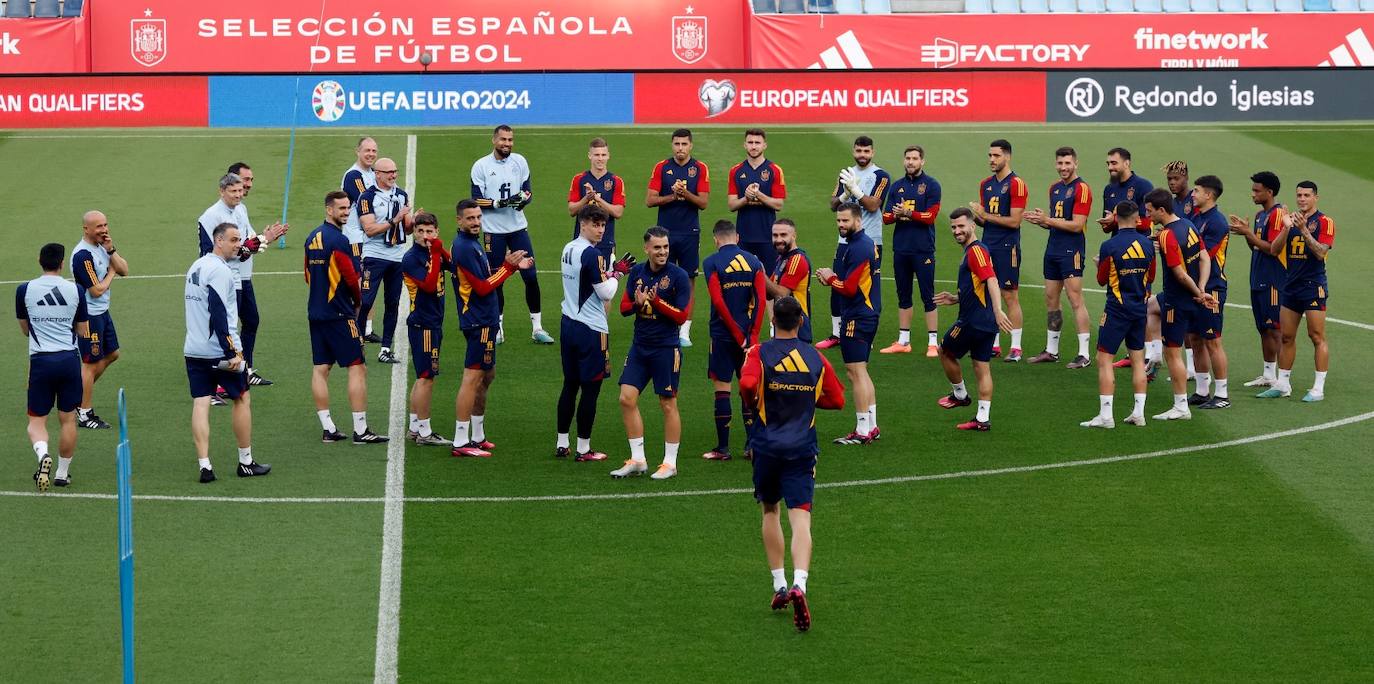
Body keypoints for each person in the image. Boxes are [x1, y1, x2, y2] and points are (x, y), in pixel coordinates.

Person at [740, 295, 845, 633]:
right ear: (801, 322)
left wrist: (754, 402)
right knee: (801, 518)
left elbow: (746, 383)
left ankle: (779, 585)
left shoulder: (759, 353)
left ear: (773, 321)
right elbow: (838, 399)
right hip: (802, 447)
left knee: (770, 510)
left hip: (767, 446)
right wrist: (810, 401)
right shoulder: (815, 357)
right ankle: (801, 582)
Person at [184, 222, 271, 483]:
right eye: (233, 240)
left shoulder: (195, 267)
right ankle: (245, 462)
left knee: (201, 402)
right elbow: (219, 313)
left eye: (239, 239)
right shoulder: (221, 272)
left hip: (194, 349)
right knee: (242, 398)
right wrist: (233, 352)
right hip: (221, 351)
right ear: (218, 241)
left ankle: (205, 465)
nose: (238, 245)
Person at [450, 198, 533, 457]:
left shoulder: (471, 243)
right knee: (472, 378)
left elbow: (485, 276)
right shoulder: (464, 247)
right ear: (459, 220)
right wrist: (508, 269)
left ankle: (477, 435)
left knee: (487, 376)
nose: (476, 222)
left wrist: (508, 266)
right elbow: (483, 287)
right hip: (477, 320)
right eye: (470, 218)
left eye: (478, 217)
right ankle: (461, 442)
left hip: (485, 318)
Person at [305, 191, 387, 445]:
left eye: (347, 208)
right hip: (339, 313)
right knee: (357, 367)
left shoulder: (312, 238)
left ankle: (328, 427)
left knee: (321, 368)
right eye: (341, 208)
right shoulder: (339, 241)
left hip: (316, 312)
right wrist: (358, 301)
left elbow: (307, 274)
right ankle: (361, 430)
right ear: (329, 209)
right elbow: (351, 278)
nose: (346, 212)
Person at [612, 227, 693, 480]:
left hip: (666, 348)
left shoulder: (678, 276)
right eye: (657, 247)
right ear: (646, 248)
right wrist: (637, 303)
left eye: (665, 247)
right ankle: (637, 459)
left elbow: (681, 316)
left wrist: (656, 302)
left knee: (667, 404)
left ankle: (670, 463)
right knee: (626, 398)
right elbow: (624, 308)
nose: (662, 252)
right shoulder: (637, 272)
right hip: (640, 346)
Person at [555, 204, 631, 462]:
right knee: (591, 389)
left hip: (568, 323)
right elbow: (605, 293)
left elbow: (587, 281)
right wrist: (618, 273)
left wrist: (608, 273)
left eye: (602, 226)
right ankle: (584, 448)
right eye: (595, 225)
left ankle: (562, 442)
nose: (600, 230)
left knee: (569, 385)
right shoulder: (592, 254)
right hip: (591, 329)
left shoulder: (568, 248)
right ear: (582, 224)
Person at [933, 208, 1014, 431]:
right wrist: (957, 297)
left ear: (972, 226)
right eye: (953, 227)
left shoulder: (976, 251)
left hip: (972, 321)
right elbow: (979, 286)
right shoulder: (976, 251)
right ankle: (982, 418)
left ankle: (960, 395)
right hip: (986, 323)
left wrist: (999, 310)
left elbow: (991, 280)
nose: (957, 231)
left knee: (944, 351)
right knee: (981, 367)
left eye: (961, 226)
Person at [471, 125, 552, 345]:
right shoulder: (481, 166)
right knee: (496, 280)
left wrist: (523, 199)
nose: (507, 143)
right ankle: (497, 329)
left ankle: (537, 328)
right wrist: (499, 203)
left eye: (510, 140)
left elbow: (528, 191)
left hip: (517, 229)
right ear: (494, 140)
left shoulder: (520, 161)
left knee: (531, 276)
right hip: (493, 232)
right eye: (503, 139)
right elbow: (476, 200)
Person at [1143, 188, 1216, 421]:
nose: (1148, 216)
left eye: (1149, 211)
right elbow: (1204, 257)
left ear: (1161, 210)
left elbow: (1180, 273)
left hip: (1179, 300)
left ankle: (1181, 406)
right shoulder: (1189, 224)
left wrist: (1197, 291)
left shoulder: (1167, 235)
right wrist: (1202, 289)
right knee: (1151, 306)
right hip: (1192, 296)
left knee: (1173, 353)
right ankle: (1153, 354)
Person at [19, 243, 88, 491]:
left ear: (39, 260)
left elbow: (25, 329)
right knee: (68, 419)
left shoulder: (24, 290)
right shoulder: (76, 290)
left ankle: (42, 456)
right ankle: (61, 473)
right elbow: (82, 330)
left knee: (37, 421)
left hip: (40, 361)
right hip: (69, 360)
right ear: (62, 263)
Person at [1258, 181, 1334, 402]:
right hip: (1290, 286)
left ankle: (1318, 388)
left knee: (1316, 336)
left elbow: (1320, 253)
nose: (1302, 199)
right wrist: (1286, 228)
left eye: (1307, 195)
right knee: (1287, 336)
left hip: (1313, 286)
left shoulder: (1324, 222)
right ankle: (1283, 384)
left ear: (1315, 198)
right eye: (1299, 195)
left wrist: (1303, 230)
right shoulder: (1290, 221)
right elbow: (1274, 250)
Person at [1081, 202, 1155, 429]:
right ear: (1136, 218)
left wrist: (1097, 265)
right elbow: (1150, 276)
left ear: (1116, 218)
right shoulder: (1148, 244)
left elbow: (1102, 280)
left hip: (1116, 310)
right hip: (1139, 310)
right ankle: (1139, 414)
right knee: (1138, 361)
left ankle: (1106, 417)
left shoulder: (1109, 246)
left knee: (1104, 360)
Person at [700, 219, 768, 461]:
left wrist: (737, 334)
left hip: (722, 335)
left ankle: (723, 448)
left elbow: (718, 301)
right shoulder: (754, 261)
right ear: (737, 237)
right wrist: (752, 334)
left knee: (722, 390)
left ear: (716, 239)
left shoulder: (711, 262)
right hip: (749, 337)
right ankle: (752, 445)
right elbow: (761, 300)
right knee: (748, 389)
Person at [815, 203, 881, 445]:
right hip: (868, 312)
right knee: (861, 370)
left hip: (858, 315)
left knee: (855, 372)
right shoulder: (863, 244)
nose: (841, 225)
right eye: (838, 221)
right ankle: (871, 426)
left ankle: (863, 429)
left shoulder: (858, 248)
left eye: (845, 221)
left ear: (858, 221)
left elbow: (849, 288)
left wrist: (830, 278)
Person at [1024, 146, 1094, 369]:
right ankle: (1051, 350)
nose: (1063, 168)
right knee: (1051, 299)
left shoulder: (1082, 189)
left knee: (1075, 299)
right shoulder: (1054, 189)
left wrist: (1048, 220)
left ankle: (1084, 353)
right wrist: (1041, 220)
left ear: (1076, 163)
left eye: (1067, 163)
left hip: (1071, 251)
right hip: (1053, 249)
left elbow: (1077, 225)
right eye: (1060, 163)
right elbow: (1058, 221)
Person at [820, 136, 890, 350]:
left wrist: (857, 192)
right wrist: (844, 195)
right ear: (853, 151)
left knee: (866, 288)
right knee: (837, 283)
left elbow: (872, 205)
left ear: (873, 152)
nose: (862, 155)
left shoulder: (881, 176)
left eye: (866, 151)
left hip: (870, 241)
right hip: (844, 241)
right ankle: (836, 333)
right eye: (859, 151)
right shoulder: (846, 174)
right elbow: (833, 205)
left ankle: (863, 333)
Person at [224, 162, 289, 387]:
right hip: (232, 279)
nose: (249, 185)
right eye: (245, 180)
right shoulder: (225, 213)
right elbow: (238, 249)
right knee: (230, 326)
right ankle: (226, 375)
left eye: (250, 181)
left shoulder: (241, 209)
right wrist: (264, 239)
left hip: (243, 278)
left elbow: (250, 241)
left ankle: (245, 369)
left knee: (251, 321)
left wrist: (265, 236)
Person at [645, 128, 710, 347]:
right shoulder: (662, 167)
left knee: (689, 280)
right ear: (672, 145)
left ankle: (685, 330)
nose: (680, 148)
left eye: (684, 144)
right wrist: (674, 195)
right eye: (677, 144)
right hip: (665, 234)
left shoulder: (699, 168)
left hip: (690, 233)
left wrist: (685, 194)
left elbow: (703, 203)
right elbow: (650, 200)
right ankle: (666, 323)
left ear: (691, 145)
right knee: (663, 278)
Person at [1098, 148, 1159, 371]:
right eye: (1108, 163)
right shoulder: (1109, 189)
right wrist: (1108, 223)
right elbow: (1109, 226)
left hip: (1139, 253)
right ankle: (1135, 353)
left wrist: (1115, 220)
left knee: (1140, 301)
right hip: (1117, 252)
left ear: (1127, 163)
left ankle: (1150, 356)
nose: (1110, 167)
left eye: (1114, 163)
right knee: (1118, 300)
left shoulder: (1143, 186)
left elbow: (1147, 221)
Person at [879, 145, 942, 357]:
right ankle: (904, 340)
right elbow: (885, 217)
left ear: (922, 161)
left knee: (928, 295)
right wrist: (898, 215)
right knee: (903, 294)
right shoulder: (897, 187)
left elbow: (931, 217)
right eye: (907, 158)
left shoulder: (932, 185)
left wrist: (909, 212)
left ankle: (933, 342)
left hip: (923, 249)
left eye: (915, 158)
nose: (910, 162)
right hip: (901, 249)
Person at [967, 139, 1027, 361]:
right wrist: (974, 217)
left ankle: (1016, 347)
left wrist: (984, 214)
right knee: (988, 293)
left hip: (1007, 246)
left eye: (996, 156)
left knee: (1009, 295)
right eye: (990, 155)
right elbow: (986, 222)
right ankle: (994, 343)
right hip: (987, 244)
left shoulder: (1016, 184)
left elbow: (1014, 221)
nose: (992, 160)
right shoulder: (986, 184)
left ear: (1007, 157)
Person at [1228, 171, 1286, 389]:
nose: (1252, 194)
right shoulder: (1261, 215)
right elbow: (1255, 246)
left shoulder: (1278, 215)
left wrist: (1248, 233)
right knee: (1263, 328)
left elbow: (1273, 249)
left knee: (1275, 328)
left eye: (1256, 190)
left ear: (1269, 192)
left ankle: (1283, 378)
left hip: (1273, 280)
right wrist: (1247, 233)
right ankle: (1268, 374)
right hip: (1258, 278)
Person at [70, 210, 127, 429]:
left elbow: (125, 270)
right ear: (86, 229)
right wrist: (111, 272)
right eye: (98, 226)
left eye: (105, 225)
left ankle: (77, 395)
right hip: (89, 316)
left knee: (113, 353)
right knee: (90, 364)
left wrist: (111, 251)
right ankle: (85, 413)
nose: (104, 230)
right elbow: (96, 290)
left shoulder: (103, 247)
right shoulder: (82, 255)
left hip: (102, 312)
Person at [401, 211, 452, 447]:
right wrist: (435, 252)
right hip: (424, 324)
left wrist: (440, 251)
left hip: (432, 322)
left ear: (436, 232)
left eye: (429, 231)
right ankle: (424, 431)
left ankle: (414, 427)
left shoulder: (434, 251)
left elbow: (454, 265)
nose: (424, 235)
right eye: (420, 231)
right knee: (426, 378)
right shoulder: (412, 258)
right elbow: (430, 286)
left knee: (423, 376)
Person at [357, 157, 414, 365]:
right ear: (377, 174)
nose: (393, 175)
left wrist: (413, 221)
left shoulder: (401, 195)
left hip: (397, 256)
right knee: (365, 301)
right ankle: (357, 344)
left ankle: (385, 349)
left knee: (393, 302)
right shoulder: (367, 197)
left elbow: (406, 229)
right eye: (388, 172)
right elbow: (370, 230)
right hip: (375, 255)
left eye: (395, 171)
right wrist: (395, 220)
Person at [1186, 175, 1232, 409]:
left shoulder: (1217, 223)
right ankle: (1202, 390)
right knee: (1195, 338)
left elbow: (1205, 255)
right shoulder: (1196, 216)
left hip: (1212, 287)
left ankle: (1222, 395)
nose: (1192, 195)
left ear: (1209, 195)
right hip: (1194, 287)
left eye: (1196, 191)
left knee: (1213, 341)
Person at [726, 128, 786, 269]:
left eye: (757, 142)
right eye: (750, 142)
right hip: (743, 236)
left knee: (770, 278)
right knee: (744, 279)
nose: (754, 146)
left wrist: (759, 195)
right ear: (744, 145)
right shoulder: (736, 171)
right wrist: (746, 198)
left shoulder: (774, 170)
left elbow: (778, 204)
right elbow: (731, 205)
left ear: (764, 145)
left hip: (768, 236)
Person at [566, 137, 626, 265]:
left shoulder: (616, 181)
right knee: (581, 281)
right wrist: (586, 199)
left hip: (606, 242)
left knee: (605, 282)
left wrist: (597, 199)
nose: (600, 158)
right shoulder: (579, 179)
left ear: (608, 156)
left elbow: (618, 212)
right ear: (590, 156)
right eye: (596, 155)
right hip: (581, 242)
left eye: (603, 155)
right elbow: (571, 210)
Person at [342, 136, 379, 337]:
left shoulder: (373, 173)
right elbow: (368, 201)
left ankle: (367, 328)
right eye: (367, 150)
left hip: (370, 237)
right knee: (359, 283)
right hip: (355, 237)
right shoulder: (353, 176)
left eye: (374, 151)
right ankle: (355, 326)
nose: (371, 154)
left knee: (369, 281)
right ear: (358, 151)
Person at [766, 219, 813, 344]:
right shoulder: (782, 258)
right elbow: (768, 294)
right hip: (783, 326)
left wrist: (758, 272)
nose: (778, 239)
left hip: (796, 330)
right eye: (775, 235)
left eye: (783, 235)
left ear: (794, 236)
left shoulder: (797, 259)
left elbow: (781, 294)